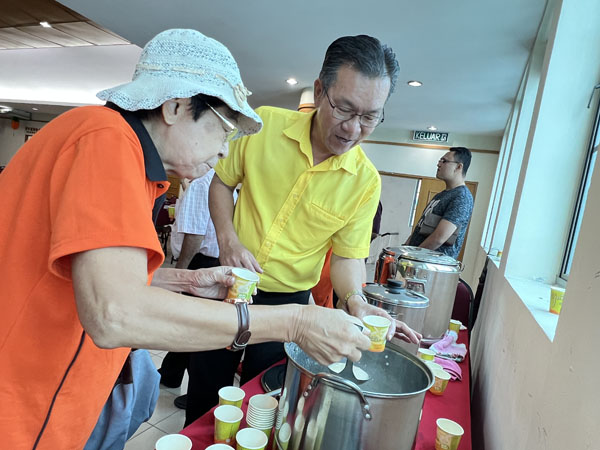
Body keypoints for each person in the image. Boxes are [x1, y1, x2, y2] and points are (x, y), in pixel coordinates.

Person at [0, 29, 374, 449]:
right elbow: (114, 313)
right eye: (224, 131)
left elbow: (92, 276)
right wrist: (294, 322)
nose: (224, 152)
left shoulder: (131, 161)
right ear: (175, 107)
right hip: (25, 404)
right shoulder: (105, 140)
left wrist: (185, 280)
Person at [186, 34, 421, 426]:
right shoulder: (263, 125)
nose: (354, 128)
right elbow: (222, 183)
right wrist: (228, 240)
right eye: (345, 109)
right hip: (228, 284)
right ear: (320, 91)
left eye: (370, 117)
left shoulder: (364, 181)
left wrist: (355, 299)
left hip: (288, 303)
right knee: (204, 390)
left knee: (266, 402)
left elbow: (347, 258)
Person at [158, 168, 237, 409]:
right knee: (192, 324)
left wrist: (181, 272)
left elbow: (195, 235)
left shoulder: (203, 184)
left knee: (193, 327)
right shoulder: (223, 183)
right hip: (216, 262)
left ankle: (194, 390)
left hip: (201, 263)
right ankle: (171, 373)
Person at [405, 147, 474, 258]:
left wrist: (412, 256)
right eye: (440, 160)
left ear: (458, 167)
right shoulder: (441, 195)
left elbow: (439, 237)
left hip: (431, 264)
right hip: (418, 260)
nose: (438, 164)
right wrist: (405, 249)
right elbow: (420, 227)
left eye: (444, 161)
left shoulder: (461, 196)